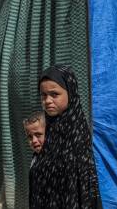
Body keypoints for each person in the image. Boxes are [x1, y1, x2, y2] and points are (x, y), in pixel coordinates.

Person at [29, 65, 102, 209]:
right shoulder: (46, 129)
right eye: (43, 95)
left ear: (70, 92)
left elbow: (84, 189)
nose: (48, 100)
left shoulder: (77, 133)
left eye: (54, 94)